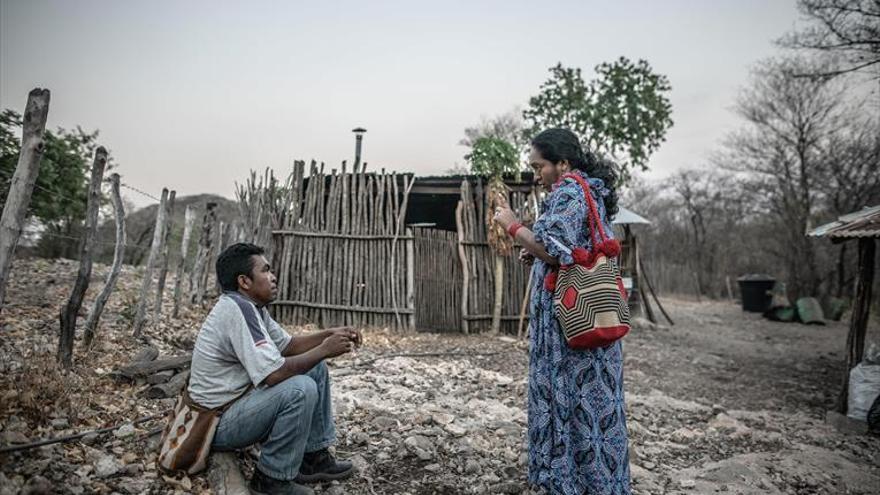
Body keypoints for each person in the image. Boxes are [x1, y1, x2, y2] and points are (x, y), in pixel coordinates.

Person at [493, 128, 631, 495]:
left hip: (570, 332)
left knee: (573, 402)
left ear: (563, 163)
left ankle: (570, 482)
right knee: (592, 406)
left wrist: (512, 226)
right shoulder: (587, 189)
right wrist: (535, 252)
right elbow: (568, 248)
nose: (536, 175)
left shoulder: (569, 190)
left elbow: (554, 250)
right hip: (585, 324)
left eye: (540, 167)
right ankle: (595, 482)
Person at [188, 242, 361, 495]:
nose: (273, 276)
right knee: (300, 389)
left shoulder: (251, 307)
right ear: (244, 281)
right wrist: (325, 348)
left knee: (315, 368)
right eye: (266, 270)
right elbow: (273, 375)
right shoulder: (238, 310)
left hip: (234, 407)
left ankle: (312, 459)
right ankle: (271, 480)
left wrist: (330, 333)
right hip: (215, 424)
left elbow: (288, 345)